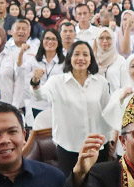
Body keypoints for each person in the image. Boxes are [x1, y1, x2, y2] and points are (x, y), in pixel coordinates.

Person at [30, 41, 111, 179]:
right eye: (76, 54)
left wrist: (110, 139)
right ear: (69, 58)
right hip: (68, 145)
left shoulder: (101, 82)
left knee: (98, 186)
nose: (81, 58)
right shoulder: (57, 82)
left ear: (91, 59)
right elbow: (40, 95)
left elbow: (107, 112)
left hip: (97, 146)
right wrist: (35, 82)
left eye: (85, 54)